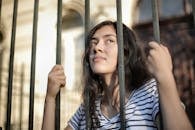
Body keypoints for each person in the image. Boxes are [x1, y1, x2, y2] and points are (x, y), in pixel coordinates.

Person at [42, 20, 193, 130]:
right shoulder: (88, 107)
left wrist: (165, 77)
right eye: (94, 42)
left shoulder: (149, 92)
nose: (97, 48)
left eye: (109, 41)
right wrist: (50, 98)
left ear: (126, 51)